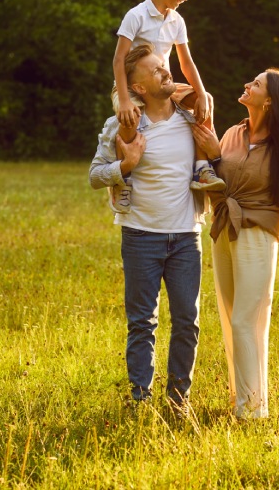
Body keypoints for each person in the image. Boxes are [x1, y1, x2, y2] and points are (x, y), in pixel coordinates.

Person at [89, 43, 207, 414]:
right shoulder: (122, 126)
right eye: (155, 69)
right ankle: (141, 399)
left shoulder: (192, 120)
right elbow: (95, 176)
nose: (165, 72)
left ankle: (178, 399)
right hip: (140, 236)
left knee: (187, 319)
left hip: (186, 236)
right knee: (142, 322)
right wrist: (127, 165)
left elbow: (215, 155)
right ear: (137, 87)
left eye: (164, 65)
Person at [192, 68, 279, 419]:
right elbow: (217, 179)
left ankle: (253, 410)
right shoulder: (232, 134)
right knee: (228, 316)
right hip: (224, 225)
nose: (246, 85)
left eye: (255, 84)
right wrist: (213, 156)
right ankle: (243, 397)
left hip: (258, 229)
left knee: (247, 318)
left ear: (269, 100)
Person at [109, 0, 224, 214]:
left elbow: (186, 63)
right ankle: (123, 181)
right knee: (129, 116)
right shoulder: (136, 15)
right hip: (131, 87)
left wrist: (202, 94)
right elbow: (118, 60)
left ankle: (201, 168)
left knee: (204, 99)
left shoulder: (177, 21)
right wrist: (125, 99)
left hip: (164, 85)